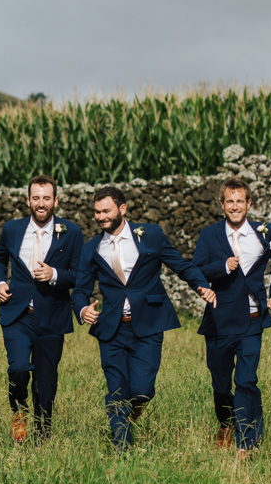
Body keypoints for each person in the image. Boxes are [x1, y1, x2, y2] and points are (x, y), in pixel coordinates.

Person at [72, 186, 214, 452]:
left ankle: (129, 415)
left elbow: (180, 264)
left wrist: (201, 286)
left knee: (142, 390)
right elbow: (80, 289)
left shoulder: (151, 234)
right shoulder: (91, 248)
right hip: (111, 329)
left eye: (106, 211)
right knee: (116, 391)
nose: (100, 216)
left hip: (148, 324)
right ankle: (121, 449)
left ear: (122, 209)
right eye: (96, 212)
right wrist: (82, 310)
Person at [192, 178, 271, 458]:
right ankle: (225, 423)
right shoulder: (209, 234)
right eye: (229, 201)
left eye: (240, 201)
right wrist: (222, 266)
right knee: (221, 382)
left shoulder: (265, 231)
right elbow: (196, 270)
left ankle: (247, 440)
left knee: (246, 380)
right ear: (222, 205)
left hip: (252, 318)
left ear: (249, 203)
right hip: (219, 319)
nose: (235, 207)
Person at [0, 175, 83, 444]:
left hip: (53, 314)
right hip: (16, 313)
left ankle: (43, 433)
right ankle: (19, 413)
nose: (41, 203)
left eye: (46, 198)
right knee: (18, 368)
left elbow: (79, 274)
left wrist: (55, 274)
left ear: (56, 200)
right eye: (36, 198)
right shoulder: (12, 229)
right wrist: (0, 281)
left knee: (46, 380)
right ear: (27, 200)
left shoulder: (72, 232)